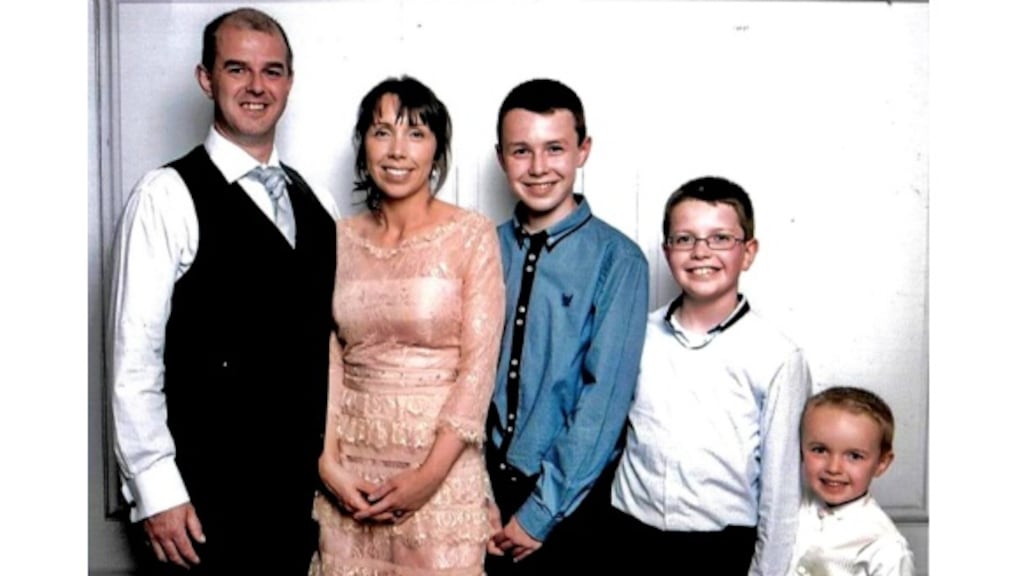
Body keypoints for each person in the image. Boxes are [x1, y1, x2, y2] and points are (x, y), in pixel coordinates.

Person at [108, 8, 338, 574]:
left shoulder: (321, 204)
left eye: (273, 71)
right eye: (238, 69)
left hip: (299, 507)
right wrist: (156, 491)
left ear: (289, 81)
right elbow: (133, 359)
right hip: (199, 510)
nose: (257, 87)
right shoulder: (165, 195)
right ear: (206, 79)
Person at [310, 76, 504, 576]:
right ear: (363, 145)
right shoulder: (338, 238)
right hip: (349, 467)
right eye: (382, 132)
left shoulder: (471, 235)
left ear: (437, 149)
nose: (397, 151)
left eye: (416, 133)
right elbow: (326, 354)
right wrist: (327, 463)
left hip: (439, 472)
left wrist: (426, 479)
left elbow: (478, 371)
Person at [485, 78, 650, 575]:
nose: (538, 168)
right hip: (479, 494)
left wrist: (539, 515)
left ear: (583, 150)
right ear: (500, 157)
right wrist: (473, 494)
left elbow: (602, 406)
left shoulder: (617, 261)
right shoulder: (481, 248)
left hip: (567, 503)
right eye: (521, 150)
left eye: (554, 148)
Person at [610, 176, 813, 575]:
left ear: (749, 252)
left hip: (721, 550)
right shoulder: (636, 335)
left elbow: (782, 489)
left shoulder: (777, 356)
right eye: (684, 239)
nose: (701, 252)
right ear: (667, 251)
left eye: (720, 238)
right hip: (628, 536)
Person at [787, 386, 914, 576]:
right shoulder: (789, 504)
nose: (833, 468)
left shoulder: (886, 546)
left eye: (854, 456)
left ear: (882, 463)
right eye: (819, 450)